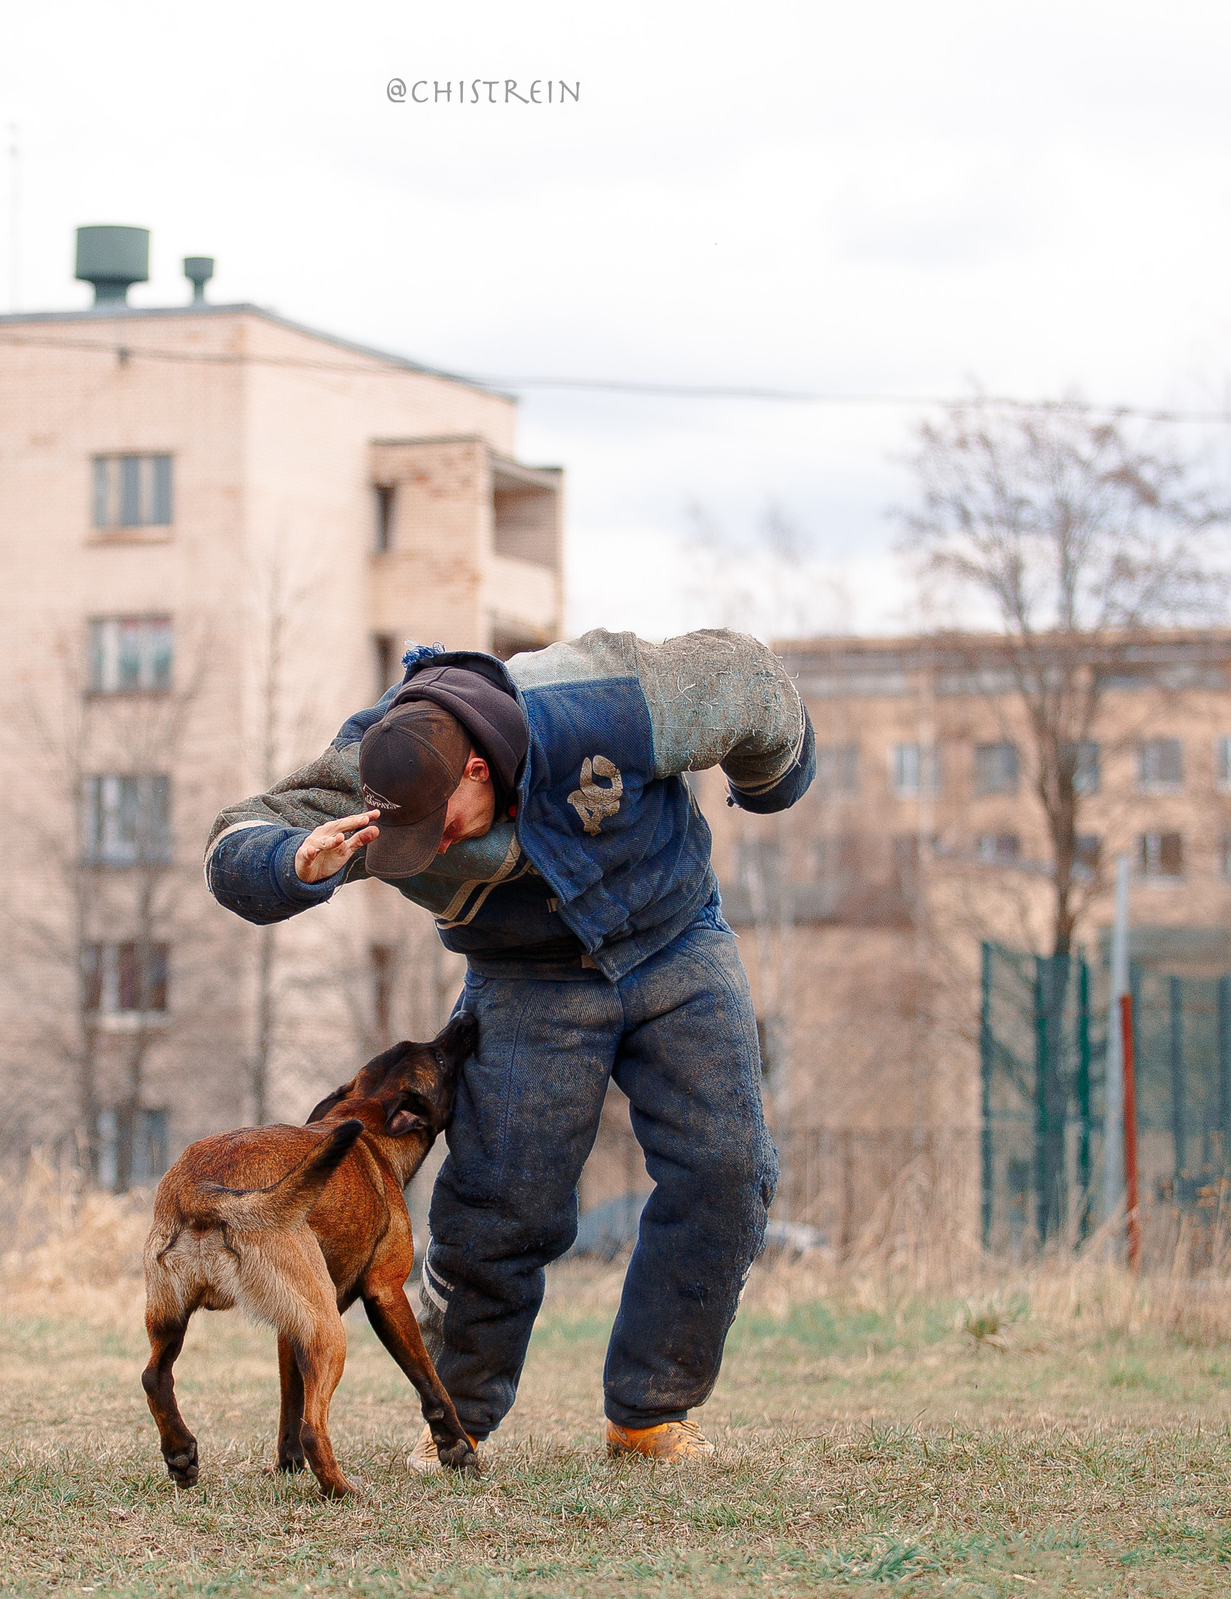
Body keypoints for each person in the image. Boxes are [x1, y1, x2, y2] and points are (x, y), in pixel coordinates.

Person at [204, 628, 815, 1467]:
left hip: (676, 940)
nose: (434, 846)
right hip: (527, 981)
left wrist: (774, 783)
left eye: (442, 821)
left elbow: (750, 685)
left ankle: (650, 1413)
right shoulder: (373, 764)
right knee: (502, 1203)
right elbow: (233, 837)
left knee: (728, 1166)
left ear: (478, 771)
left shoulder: (610, 700)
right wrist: (288, 863)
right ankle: (454, 1422)